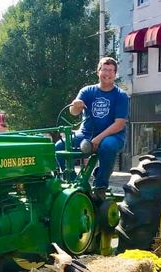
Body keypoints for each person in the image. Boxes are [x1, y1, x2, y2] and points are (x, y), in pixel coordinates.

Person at [55, 57, 129, 200]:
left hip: (113, 136)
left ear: (115, 74)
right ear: (98, 71)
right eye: (104, 69)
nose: (107, 73)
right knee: (59, 147)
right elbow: (73, 112)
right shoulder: (87, 91)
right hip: (86, 134)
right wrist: (76, 105)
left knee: (107, 145)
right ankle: (72, 182)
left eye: (111, 71)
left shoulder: (121, 96)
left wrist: (97, 140)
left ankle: (100, 185)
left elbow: (119, 124)